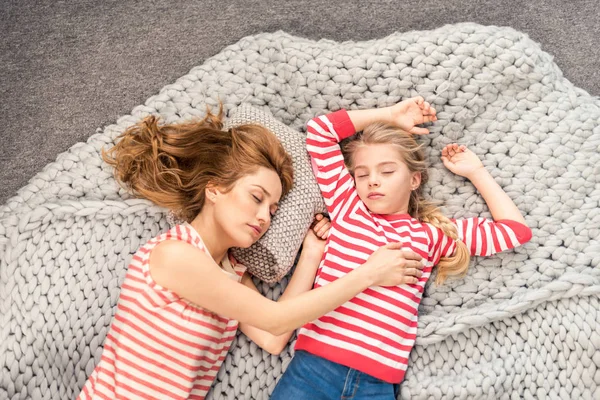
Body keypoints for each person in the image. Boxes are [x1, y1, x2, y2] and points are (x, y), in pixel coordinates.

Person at [77, 106, 426, 400]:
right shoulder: (174, 255)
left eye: (273, 210)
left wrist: (311, 253)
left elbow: (273, 337)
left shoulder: (230, 272)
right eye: (257, 198)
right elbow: (275, 319)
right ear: (214, 190)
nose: (264, 217)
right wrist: (368, 274)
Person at [270, 97, 533, 399]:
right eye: (362, 174)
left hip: (376, 384)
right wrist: (391, 115)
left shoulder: (431, 236)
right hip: (313, 370)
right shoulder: (348, 209)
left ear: (414, 179)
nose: (373, 182)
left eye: (387, 171)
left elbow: (515, 232)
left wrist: (476, 172)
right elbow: (320, 132)